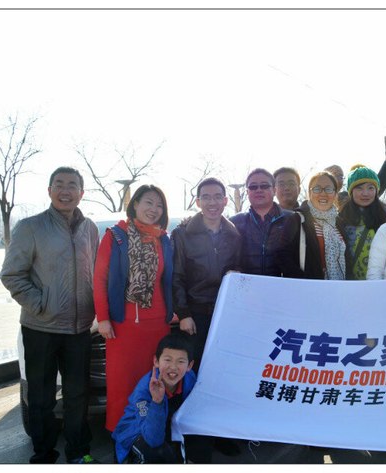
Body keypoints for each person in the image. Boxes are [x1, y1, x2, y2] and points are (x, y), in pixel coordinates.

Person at [1, 166, 99, 464]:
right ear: (49, 190)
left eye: (72, 185)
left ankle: (79, 452)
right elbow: (12, 275)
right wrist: (41, 305)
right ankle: (44, 455)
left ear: (81, 193)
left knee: (77, 395)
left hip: (80, 329)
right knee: (41, 398)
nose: (65, 190)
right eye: (59, 184)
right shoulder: (30, 227)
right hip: (40, 328)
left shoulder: (90, 229)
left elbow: (97, 273)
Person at [94, 184, 174, 434]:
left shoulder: (164, 239)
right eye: (148, 202)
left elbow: (169, 280)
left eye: (159, 205)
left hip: (158, 325)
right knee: (123, 383)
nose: (154, 209)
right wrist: (103, 318)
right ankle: (122, 434)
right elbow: (100, 279)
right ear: (135, 204)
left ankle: (152, 432)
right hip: (124, 325)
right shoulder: (116, 236)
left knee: (155, 380)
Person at [171, 177, 241, 373]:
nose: (212, 203)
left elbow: (238, 270)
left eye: (218, 197)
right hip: (196, 314)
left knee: (222, 366)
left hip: (224, 313)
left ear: (225, 201)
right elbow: (177, 276)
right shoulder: (182, 234)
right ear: (198, 202)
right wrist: (184, 314)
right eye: (206, 197)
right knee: (195, 365)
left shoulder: (234, 234)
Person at [112, 333, 196, 463]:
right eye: (167, 360)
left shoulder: (190, 379)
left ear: (189, 366)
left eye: (180, 361)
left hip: (168, 427)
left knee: (201, 441)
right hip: (137, 433)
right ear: (156, 361)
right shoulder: (145, 390)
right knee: (158, 453)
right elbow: (153, 439)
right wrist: (157, 401)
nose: (173, 367)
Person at [230, 168, 301, 277]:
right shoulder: (235, 222)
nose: (259, 190)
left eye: (264, 186)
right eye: (253, 187)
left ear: (274, 190)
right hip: (247, 285)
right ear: (247, 192)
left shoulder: (293, 219)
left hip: (284, 285)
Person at [338, 165, 386, 280]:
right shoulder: (341, 218)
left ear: (376, 190)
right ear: (351, 191)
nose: (365, 193)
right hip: (349, 282)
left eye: (370, 188)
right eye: (359, 188)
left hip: (381, 281)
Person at [293, 170, 346, 279]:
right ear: (310, 193)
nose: (323, 193)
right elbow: (284, 256)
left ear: (335, 194)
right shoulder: (297, 219)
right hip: (309, 286)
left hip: (339, 285)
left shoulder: (340, 223)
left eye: (328, 189)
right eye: (317, 189)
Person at [326, 135, 386, 207]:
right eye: (359, 188)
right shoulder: (328, 200)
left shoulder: (351, 198)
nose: (365, 193)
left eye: (341, 177)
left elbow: (378, 185)